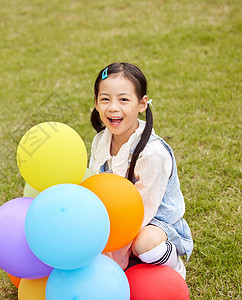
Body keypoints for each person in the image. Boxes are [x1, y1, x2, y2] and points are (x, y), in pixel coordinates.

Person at [88, 62, 193, 279]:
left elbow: (141, 212)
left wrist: (112, 258)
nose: (113, 107)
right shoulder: (101, 140)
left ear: (142, 104)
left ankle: (173, 266)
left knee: (144, 245)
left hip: (152, 221)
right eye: (105, 99)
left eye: (123, 99)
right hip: (115, 217)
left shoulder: (152, 153)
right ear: (96, 103)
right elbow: (94, 187)